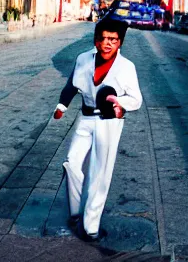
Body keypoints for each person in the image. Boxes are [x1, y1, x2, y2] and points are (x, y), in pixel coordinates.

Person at [53, 18, 142, 242]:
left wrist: (119, 103)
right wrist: (61, 106)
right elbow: (72, 85)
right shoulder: (83, 59)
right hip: (85, 118)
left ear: (119, 42)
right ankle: (75, 211)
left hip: (108, 123)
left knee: (99, 174)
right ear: (96, 40)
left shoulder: (127, 67)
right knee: (71, 162)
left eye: (112, 39)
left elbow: (136, 100)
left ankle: (91, 226)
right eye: (102, 38)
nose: (106, 43)